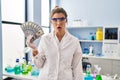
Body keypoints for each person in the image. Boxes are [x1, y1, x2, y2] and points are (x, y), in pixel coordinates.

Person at [26, 6, 83, 80]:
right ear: (51, 22)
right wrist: (34, 49)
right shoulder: (45, 39)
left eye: (62, 19)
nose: (58, 23)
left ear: (66, 20)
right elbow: (39, 65)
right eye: (55, 19)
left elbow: (77, 68)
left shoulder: (74, 41)